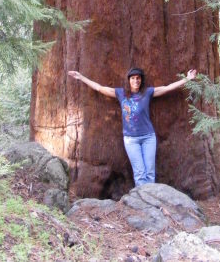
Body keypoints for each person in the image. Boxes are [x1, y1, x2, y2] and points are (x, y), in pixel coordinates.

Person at [68, 67, 197, 186]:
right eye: (133, 78)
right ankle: (142, 203)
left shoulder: (147, 93)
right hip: (131, 140)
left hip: (148, 137)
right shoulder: (121, 93)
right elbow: (100, 88)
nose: (136, 81)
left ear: (141, 80)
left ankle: (151, 201)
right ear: (129, 80)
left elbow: (167, 88)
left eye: (138, 78)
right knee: (140, 173)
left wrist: (187, 79)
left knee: (150, 172)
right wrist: (81, 77)